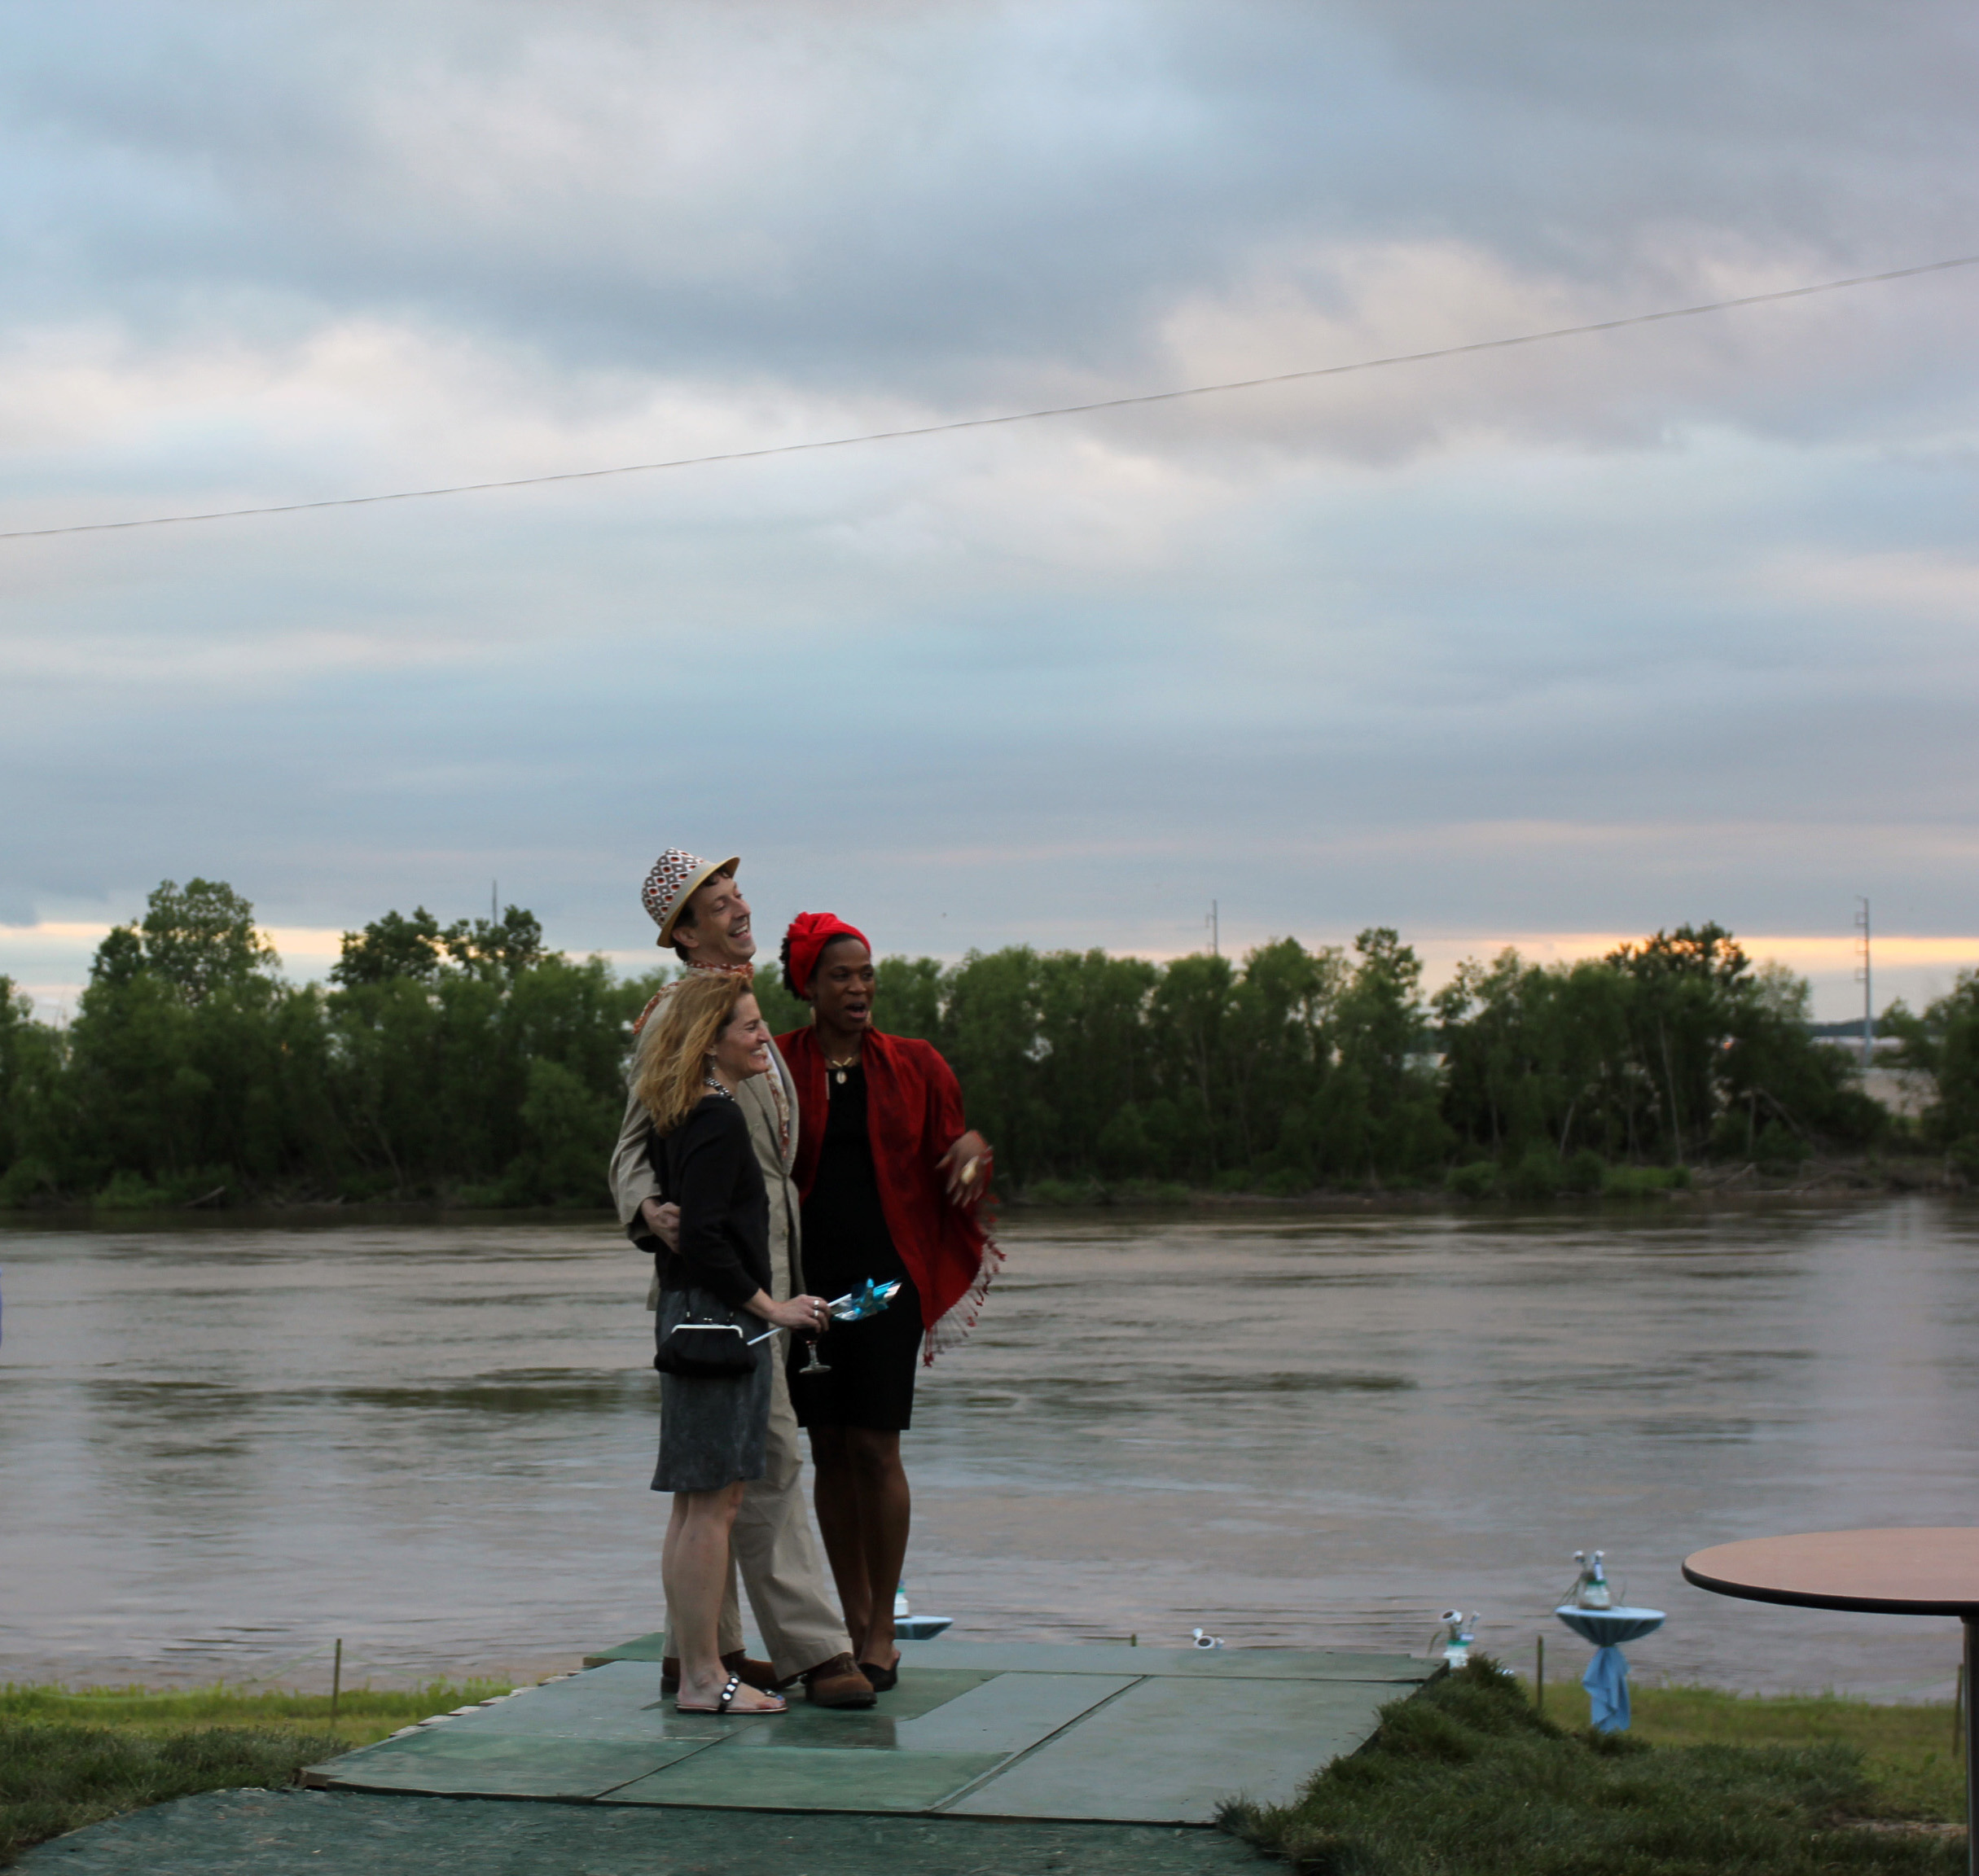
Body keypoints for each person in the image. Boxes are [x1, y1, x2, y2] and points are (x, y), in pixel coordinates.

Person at [609, 849, 874, 1710]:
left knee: (716, 1474)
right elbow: (632, 1150)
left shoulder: (738, 1009)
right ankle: (811, 1651)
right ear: (682, 934)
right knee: (763, 1458)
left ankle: (701, 1651)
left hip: (761, 1268)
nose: (739, 910)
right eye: (717, 906)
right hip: (724, 1282)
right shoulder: (678, 1020)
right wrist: (650, 1212)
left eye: (736, 896)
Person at [774, 911, 998, 1691]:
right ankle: (849, 1614)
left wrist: (970, 1152)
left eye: (866, 972)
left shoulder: (916, 1063)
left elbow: (957, 1141)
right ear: (809, 985)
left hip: (885, 1281)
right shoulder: (778, 1062)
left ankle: (880, 1635)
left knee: (875, 1445)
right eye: (842, 974)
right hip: (809, 1286)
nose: (860, 987)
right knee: (828, 1447)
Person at [634, 972, 832, 1713]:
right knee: (712, 1506)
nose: (763, 1039)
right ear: (710, 1043)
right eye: (749, 1027)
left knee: (696, 1506)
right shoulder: (717, 1121)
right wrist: (773, 1308)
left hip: (688, 1317)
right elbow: (711, 1239)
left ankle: (696, 1672)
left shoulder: (679, 1112)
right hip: (720, 1323)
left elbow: (684, 1229)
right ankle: (702, 1680)